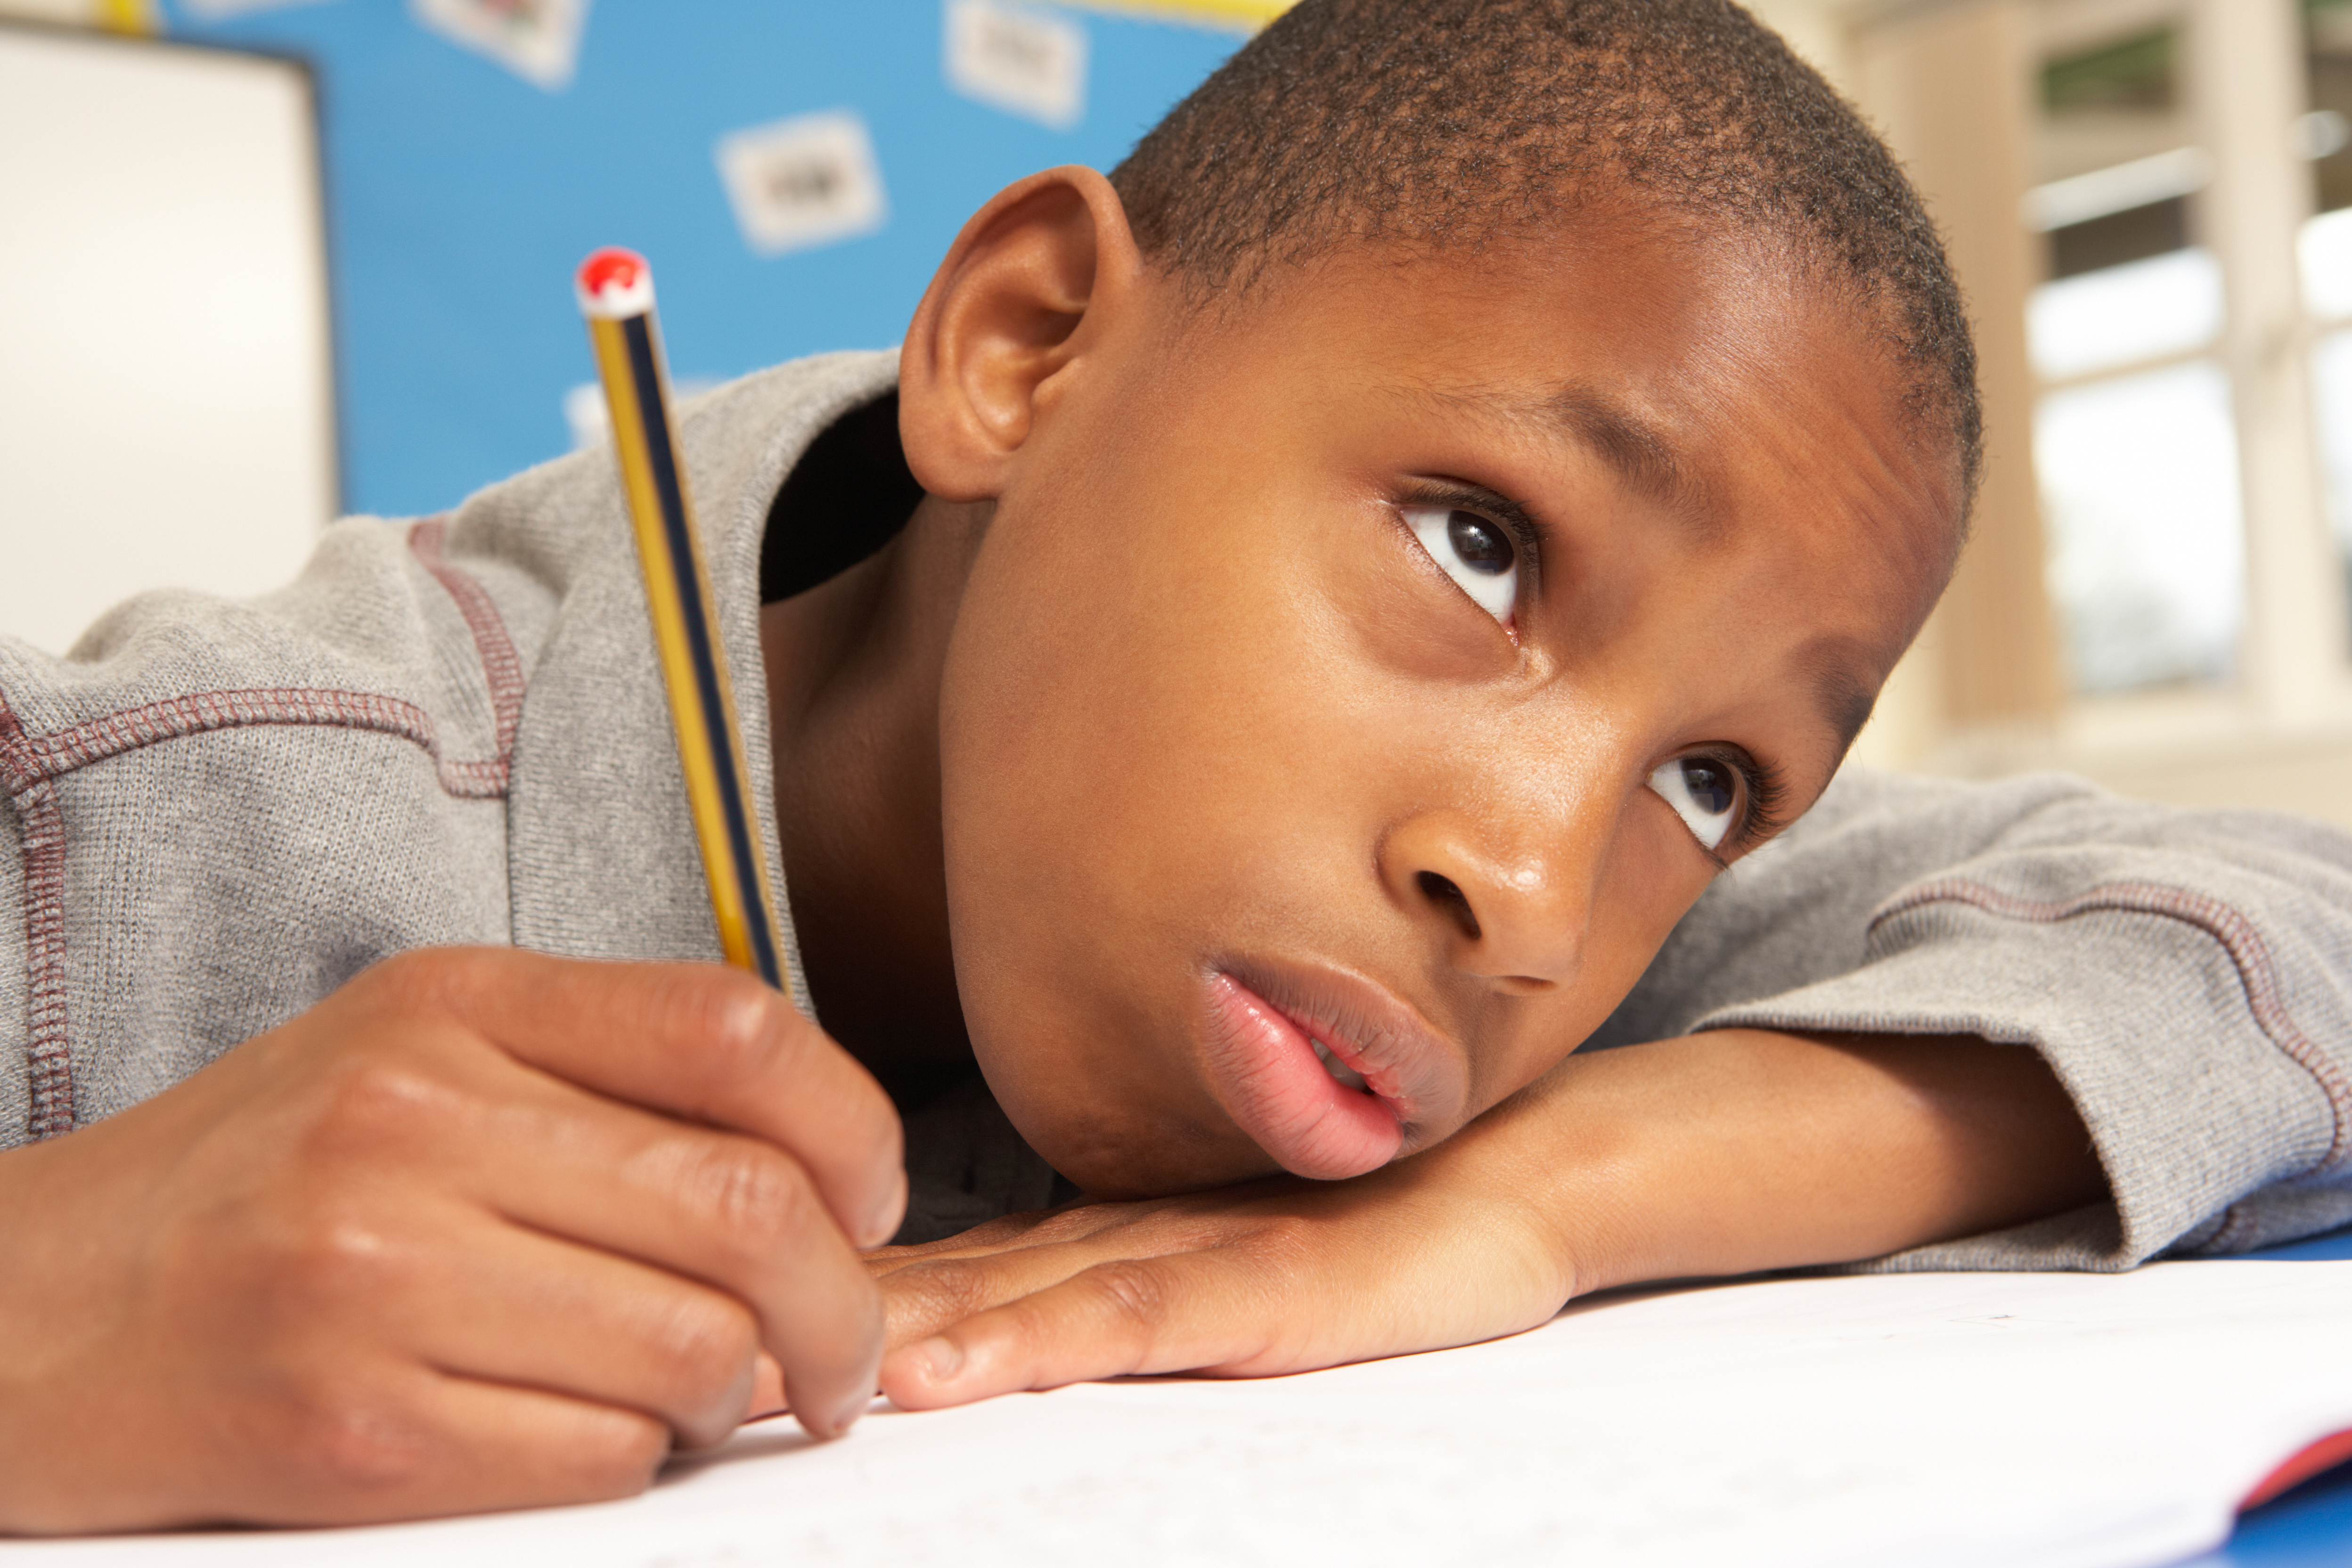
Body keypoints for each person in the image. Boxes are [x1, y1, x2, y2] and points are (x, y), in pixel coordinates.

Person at [2, 0, 2346, 1534]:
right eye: (1483, 545)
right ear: (1026, 352)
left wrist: (1551, 1197)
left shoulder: (1492, 942)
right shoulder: (157, 843)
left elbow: (2307, 923)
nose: (1532, 890)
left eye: (1721, 781)